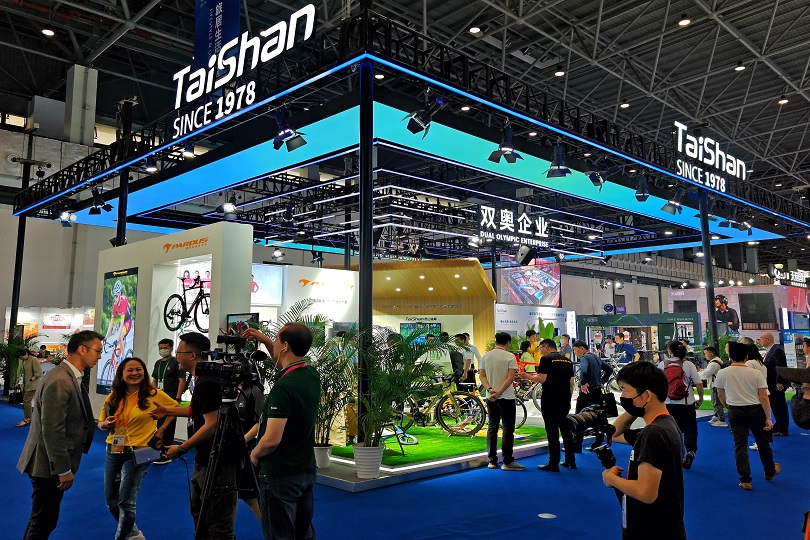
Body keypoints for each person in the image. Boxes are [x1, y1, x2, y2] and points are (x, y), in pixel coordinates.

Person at [152, 332, 245, 540]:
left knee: (218, 523)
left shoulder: (207, 382)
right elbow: (199, 410)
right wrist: (167, 411)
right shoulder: (202, 379)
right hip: (207, 456)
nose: (176, 356)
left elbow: (212, 424)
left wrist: (181, 448)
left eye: (179, 352)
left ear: (192, 355)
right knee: (200, 513)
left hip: (219, 459)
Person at [17, 330, 102, 539]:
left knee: (41, 519)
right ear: (82, 349)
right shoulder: (60, 380)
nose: (100, 356)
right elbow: (53, 429)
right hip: (47, 464)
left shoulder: (69, 376)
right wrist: (63, 469)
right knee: (43, 522)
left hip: (49, 462)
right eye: (97, 351)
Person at [243, 324, 320, 540]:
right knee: (304, 532)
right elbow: (282, 362)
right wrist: (265, 339)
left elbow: (271, 440)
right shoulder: (311, 375)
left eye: (276, 340)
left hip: (279, 472)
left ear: (285, 346)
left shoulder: (283, 387)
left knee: (280, 535)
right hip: (305, 468)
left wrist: (254, 455)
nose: (274, 344)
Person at [602, 362, 686, 540]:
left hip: (652, 530)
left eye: (625, 390)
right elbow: (614, 434)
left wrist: (612, 479)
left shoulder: (653, 434)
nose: (622, 396)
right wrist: (635, 409)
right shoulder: (665, 425)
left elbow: (646, 493)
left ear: (646, 395)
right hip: (666, 526)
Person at [97, 357, 178, 540]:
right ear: (122, 374)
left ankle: (122, 537)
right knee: (111, 500)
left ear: (144, 372)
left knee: (126, 501)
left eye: (138, 369)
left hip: (142, 451)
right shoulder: (114, 396)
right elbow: (100, 423)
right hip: (114, 448)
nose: (135, 373)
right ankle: (134, 534)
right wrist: (105, 424)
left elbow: (174, 408)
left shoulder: (154, 394)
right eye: (130, 370)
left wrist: (161, 430)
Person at [714, 341, 780, 491]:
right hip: (755, 410)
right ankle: (769, 471)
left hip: (735, 410)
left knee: (740, 445)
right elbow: (763, 397)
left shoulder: (722, 373)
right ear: (746, 356)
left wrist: (729, 407)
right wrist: (768, 417)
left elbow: (720, 394)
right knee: (762, 442)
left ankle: (745, 479)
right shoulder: (756, 373)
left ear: (730, 356)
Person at [518, 339, 576, 471]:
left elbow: (542, 378)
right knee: (565, 429)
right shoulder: (567, 361)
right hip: (564, 399)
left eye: (541, 348)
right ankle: (570, 460)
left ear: (547, 347)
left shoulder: (546, 359)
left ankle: (553, 462)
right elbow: (571, 383)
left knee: (552, 431)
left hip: (550, 398)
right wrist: (568, 398)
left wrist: (527, 376)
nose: (540, 351)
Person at [479, 331, 524, 471]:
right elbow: (510, 378)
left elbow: (482, 376)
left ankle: (492, 460)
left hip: (490, 397)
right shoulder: (510, 356)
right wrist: (499, 392)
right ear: (508, 343)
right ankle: (507, 461)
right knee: (508, 429)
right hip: (507, 397)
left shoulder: (486, 356)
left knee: (492, 427)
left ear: (496, 341)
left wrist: (490, 389)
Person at [658, 341, 703, 470]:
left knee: (671, 431)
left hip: (668, 404)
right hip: (686, 404)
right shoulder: (688, 364)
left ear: (669, 351)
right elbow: (699, 384)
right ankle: (690, 451)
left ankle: (674, 455)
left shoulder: (663, 364)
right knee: (690, 430)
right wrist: (700, 399)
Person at [150, 338, 186, 463]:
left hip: (171, 400)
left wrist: (178, 398)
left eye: (165, 348)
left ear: (171, 348)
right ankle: (157, 451)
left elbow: (182, 381)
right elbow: (154, 381)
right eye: (160, 348)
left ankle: (167, 454)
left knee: (168, 428)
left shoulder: (176, 362)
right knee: (158, 426)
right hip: (159, 400)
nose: (162, 350)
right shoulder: (158, 363)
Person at [236, 371, 265, 522]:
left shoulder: (254, 392)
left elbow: (259, 423)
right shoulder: (235, 390)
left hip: (249, 450)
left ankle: (271, 530)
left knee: (251, 496)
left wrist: (242, 441)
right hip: (237, 450)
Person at [572, 340, 606, 452]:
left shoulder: (584, 358)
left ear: (582, 348)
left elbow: (584, 371)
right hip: (597, 391)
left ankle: (576, 445)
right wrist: (602, 381)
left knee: (578, 418)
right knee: (598, 417)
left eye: (575, 350)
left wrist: (583, 383)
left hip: (587, 392)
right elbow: (609, 369)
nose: (575, 353)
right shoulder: (595, 357)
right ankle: (598, 443)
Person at [760, 333, 790, 436]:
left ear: (768, 340)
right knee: (776, 405)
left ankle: (783, 428)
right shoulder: (771, 350)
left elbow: (780, 366)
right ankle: (779, 425)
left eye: (761, 339)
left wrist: (779, 382)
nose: (760, 341)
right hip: (772, 383)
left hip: (776, 384)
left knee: (779, 405)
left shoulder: (777, 350)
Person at [701, 346, 727, 427]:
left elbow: (706, 374)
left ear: (711, 353)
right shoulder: (717, 361)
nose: (705, 355)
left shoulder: (714, 364)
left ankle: (721, 419)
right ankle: (716, 416)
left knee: (716, 403)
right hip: (717, 384)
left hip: (715, 385)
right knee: (716, 402)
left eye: (706, 353)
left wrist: (697, 374)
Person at [16, 349, 43, 427]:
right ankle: (30, 417)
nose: (21, 359)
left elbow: (39, 373)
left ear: (26, 354)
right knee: (27, 401)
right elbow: (19, 372)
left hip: (32, 384)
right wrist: (17, 382)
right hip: (23, 384)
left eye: (22, 357)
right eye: (20, 358)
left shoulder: (34, 360)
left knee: (26, 400)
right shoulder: (21, 360)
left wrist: (32, 379)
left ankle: (27, 419)